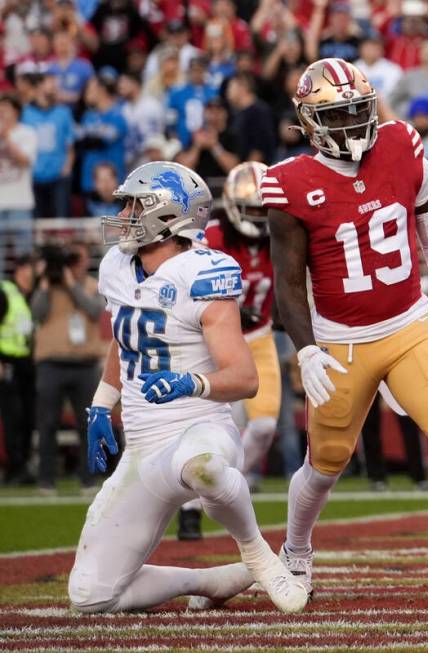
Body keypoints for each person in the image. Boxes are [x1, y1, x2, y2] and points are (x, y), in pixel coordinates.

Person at [262, 58, 428, 605]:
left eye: (359, 111)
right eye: (337, 116)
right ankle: (295, 549)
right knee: (324, 464)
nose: (352, 125)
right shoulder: (289, 182)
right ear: (309, 123)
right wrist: (307, 349)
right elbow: (288, 283)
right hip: (341, 338)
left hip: (409, 323)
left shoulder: (403, 142)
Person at [68, 161, 307, 615]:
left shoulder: (203, 271)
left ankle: (257, 554)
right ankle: (211, 580)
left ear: (167, 215)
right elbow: (125, 340)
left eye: (135, 205)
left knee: (205, 470)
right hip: (142, 449)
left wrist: (189, 383)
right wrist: (101, 405)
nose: (124, 214)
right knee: (90, 597)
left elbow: (244, 378)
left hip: (199, 429)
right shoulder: (117, 265)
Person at [178, 161, 281, 539]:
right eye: (252, 209)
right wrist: (228, 305)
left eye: (264, 209)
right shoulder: (213, 236)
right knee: (212, 425)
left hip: (259, 337)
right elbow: (188, 282)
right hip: (215, 341)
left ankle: (218, 487)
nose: (260, 217)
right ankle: (190, 507)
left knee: (265, 425)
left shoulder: (282, 232)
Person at [32, 243, 107, 494]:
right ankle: (46, 480)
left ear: (85, 261)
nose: (75, 265)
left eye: (78, 259)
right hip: (50, 363)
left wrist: (71, 285)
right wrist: (45, 283)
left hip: (84, 364)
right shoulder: (47, 287)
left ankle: (87, 480)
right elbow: (37, 313)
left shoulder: (91, 285)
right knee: (48, 423)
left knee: (87, 423)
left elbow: (95, 310)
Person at [0, 255, 36, 486]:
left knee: (27, 417)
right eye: (28, 271)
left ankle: (22, 465)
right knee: (13, 417)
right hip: (7, 363)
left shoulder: (26, 296)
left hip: (25, 365)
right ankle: (14, 467)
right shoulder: (5, 293)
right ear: (19, 271)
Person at [22, 66, 75, 219]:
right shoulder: (25, 112)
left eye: (55, 83)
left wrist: (67, 167)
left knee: (61, 220)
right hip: (33, 176)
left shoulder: (63, 112)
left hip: (59, 176)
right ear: (38, 86)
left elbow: (70, 144)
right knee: (36, 222)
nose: (54, 86)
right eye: (50, 82)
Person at [0, 94, 38, 256]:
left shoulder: (28, 134)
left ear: (16, 112)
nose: (2, 113)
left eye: (6, 109)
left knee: (24, 255)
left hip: (20, 202)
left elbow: (24, 161)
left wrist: (6, 137)